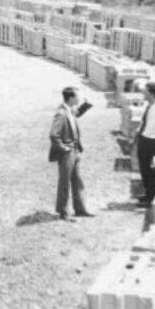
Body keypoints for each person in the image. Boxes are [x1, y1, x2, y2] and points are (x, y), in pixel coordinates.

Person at [48, 86, 94, 222]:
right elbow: (53, 134)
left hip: (75, 150)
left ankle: (80, 209)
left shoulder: (69, 109)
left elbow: (77, 114)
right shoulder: (61, 113)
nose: (79, 98)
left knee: (77, 180)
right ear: (71, 98)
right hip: (67, 153)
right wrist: (63, 148)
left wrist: (86, 105)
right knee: (65, 182)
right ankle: (63, 212)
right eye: (77, 96)